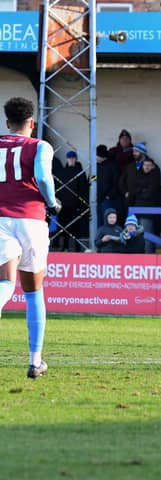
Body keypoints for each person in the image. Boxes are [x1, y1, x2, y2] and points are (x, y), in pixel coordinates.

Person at [0, 97, 60, 379]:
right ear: (32, 123)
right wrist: (53, 202)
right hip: (30, 219)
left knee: (5, 282)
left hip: (0, 218)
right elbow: (43, 178)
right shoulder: (40, 146)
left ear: (7, 122)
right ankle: (35, 361)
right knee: (34, 290)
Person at [54, 150, 89, 251]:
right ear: (67, 159)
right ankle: (64, 247)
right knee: (63, 227)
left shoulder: (80, 172)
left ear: (76, 159)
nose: (71, 160)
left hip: (75, 206)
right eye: (69, 158)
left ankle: (76, 248)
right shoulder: (63, 172)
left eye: (73, 158)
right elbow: (58, 188)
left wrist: (82, 205)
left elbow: (83, 189)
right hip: (64, 205)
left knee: (75, 229)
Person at [96, 144, 121, 226]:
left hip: (108, 199)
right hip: (96, 199)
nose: (95, 157)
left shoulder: (113, 166)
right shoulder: (95, 167)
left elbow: (116, 182)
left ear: (101, 156)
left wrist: (109, 195)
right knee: (98, 221)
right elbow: (92, 180)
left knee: (108, 221)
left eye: (97, 155)